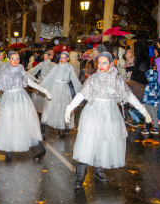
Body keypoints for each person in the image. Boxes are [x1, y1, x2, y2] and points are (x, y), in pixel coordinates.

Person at [64, 52, 151, 188]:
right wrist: (69, 108)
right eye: (99, 62)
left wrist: (144, 111)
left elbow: (129, 96)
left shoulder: (117, 81)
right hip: (93, 114)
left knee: (104, 142)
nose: (101, 65)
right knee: (88, 144)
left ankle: (99, 171)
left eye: (105, 63)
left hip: (110, 116)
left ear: (111, 63)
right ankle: (80, 177)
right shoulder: (92, 79)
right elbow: (82, 94)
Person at [0, 51, 51, 162]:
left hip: (22, 99)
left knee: (25, 122)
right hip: (8, 100)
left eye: (17, 59)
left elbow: (30, 82)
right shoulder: (4, 73)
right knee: (9, 123)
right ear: (9, 59)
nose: (15, 61)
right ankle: (9, 151)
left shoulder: (21, 70)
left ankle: (38, 146)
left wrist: (44, 90)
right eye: (13, 58)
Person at [40, 51, 82, 138]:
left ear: (67, 59)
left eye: (64, 57)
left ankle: (61, 127)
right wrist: (42, 87)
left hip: (64, 90)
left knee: (63, 107)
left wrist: (81, 91)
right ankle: (43, 126)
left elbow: (74, 79)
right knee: (49, 106)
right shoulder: (56, 67)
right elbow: (49, 77)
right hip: (55, 88)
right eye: (61, 57)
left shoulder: (70, 68)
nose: (62, 59)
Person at [27, 50, 55, 115]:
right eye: (44, 56)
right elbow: (35, 70)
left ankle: (47, 110)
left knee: (48, 95)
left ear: (49, 57)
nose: (45, 57)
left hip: (49, 81)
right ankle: (40, 110)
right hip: (42, 80)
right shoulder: (41, 64)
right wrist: (27, 74)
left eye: (46, 56)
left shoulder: (53, 65)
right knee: (40, 95)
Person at [141, 61, 160, 135]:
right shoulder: (158, 84)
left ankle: (146, 129)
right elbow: (159, 94)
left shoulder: (148, 85)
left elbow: (146, 94)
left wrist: (144, 102)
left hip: (149, 102)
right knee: (155, 115)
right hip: (156, 102)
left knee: (147, 115)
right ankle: (156, 128)